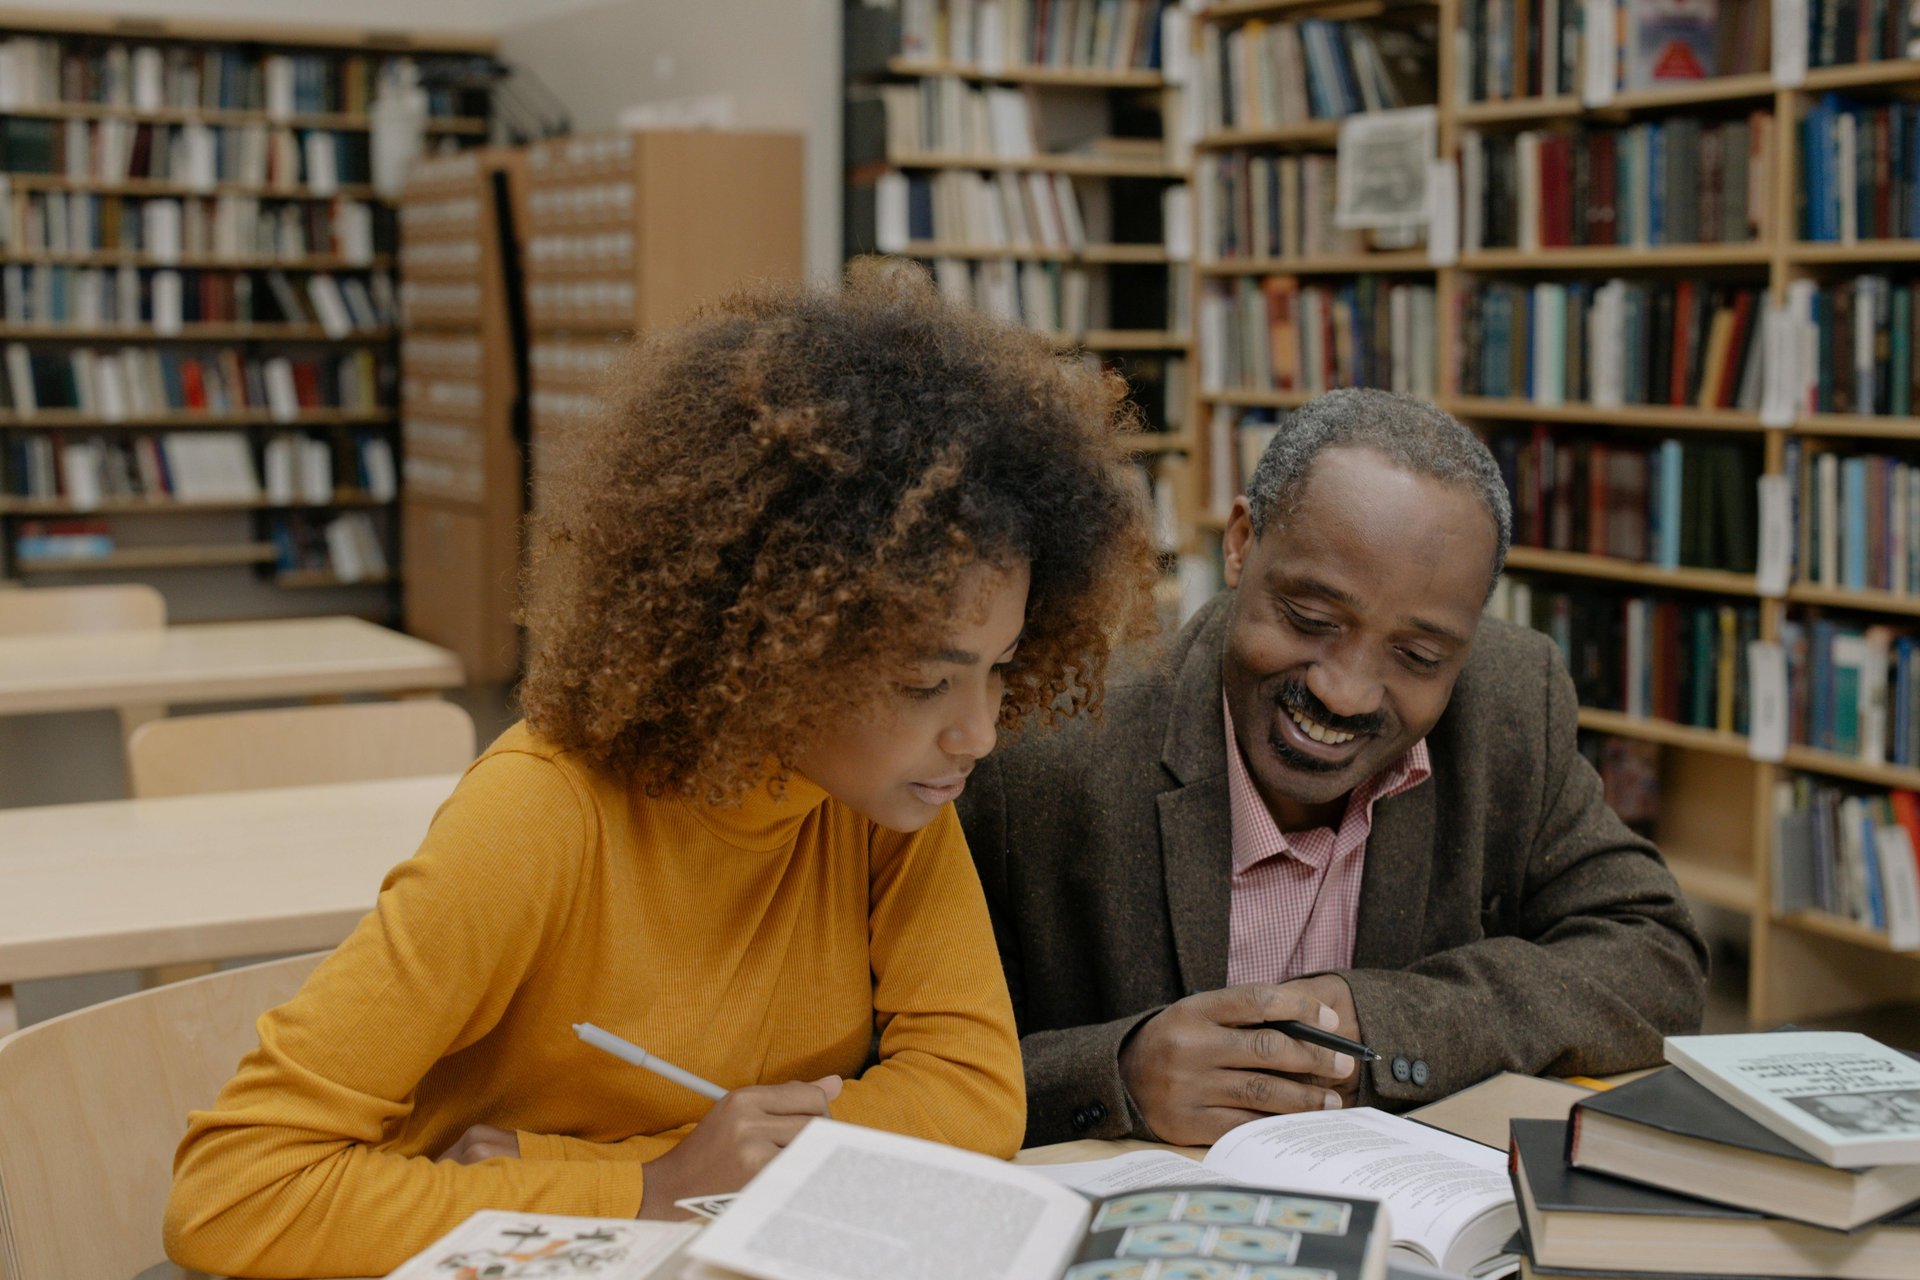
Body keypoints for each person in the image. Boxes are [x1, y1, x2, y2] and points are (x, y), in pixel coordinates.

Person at [164, 267, 1160, 1278]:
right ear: (773, 636)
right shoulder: (540, 815)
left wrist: (670, 1170)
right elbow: (234, 1191)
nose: (979, 733)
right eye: (923, 683)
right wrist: (643, 1186)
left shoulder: (885, 803)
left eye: (999, 672)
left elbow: (973, 1091)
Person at [957, 388, 1710, 1148]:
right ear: (1243, 541)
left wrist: (1384, 1022)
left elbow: (1654, 956)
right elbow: (902, 1063)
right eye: (1311, 620)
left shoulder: (1513, 702)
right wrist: (1117, 1075)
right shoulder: (1037, 747)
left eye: (1418, 657)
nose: (1343, 690)